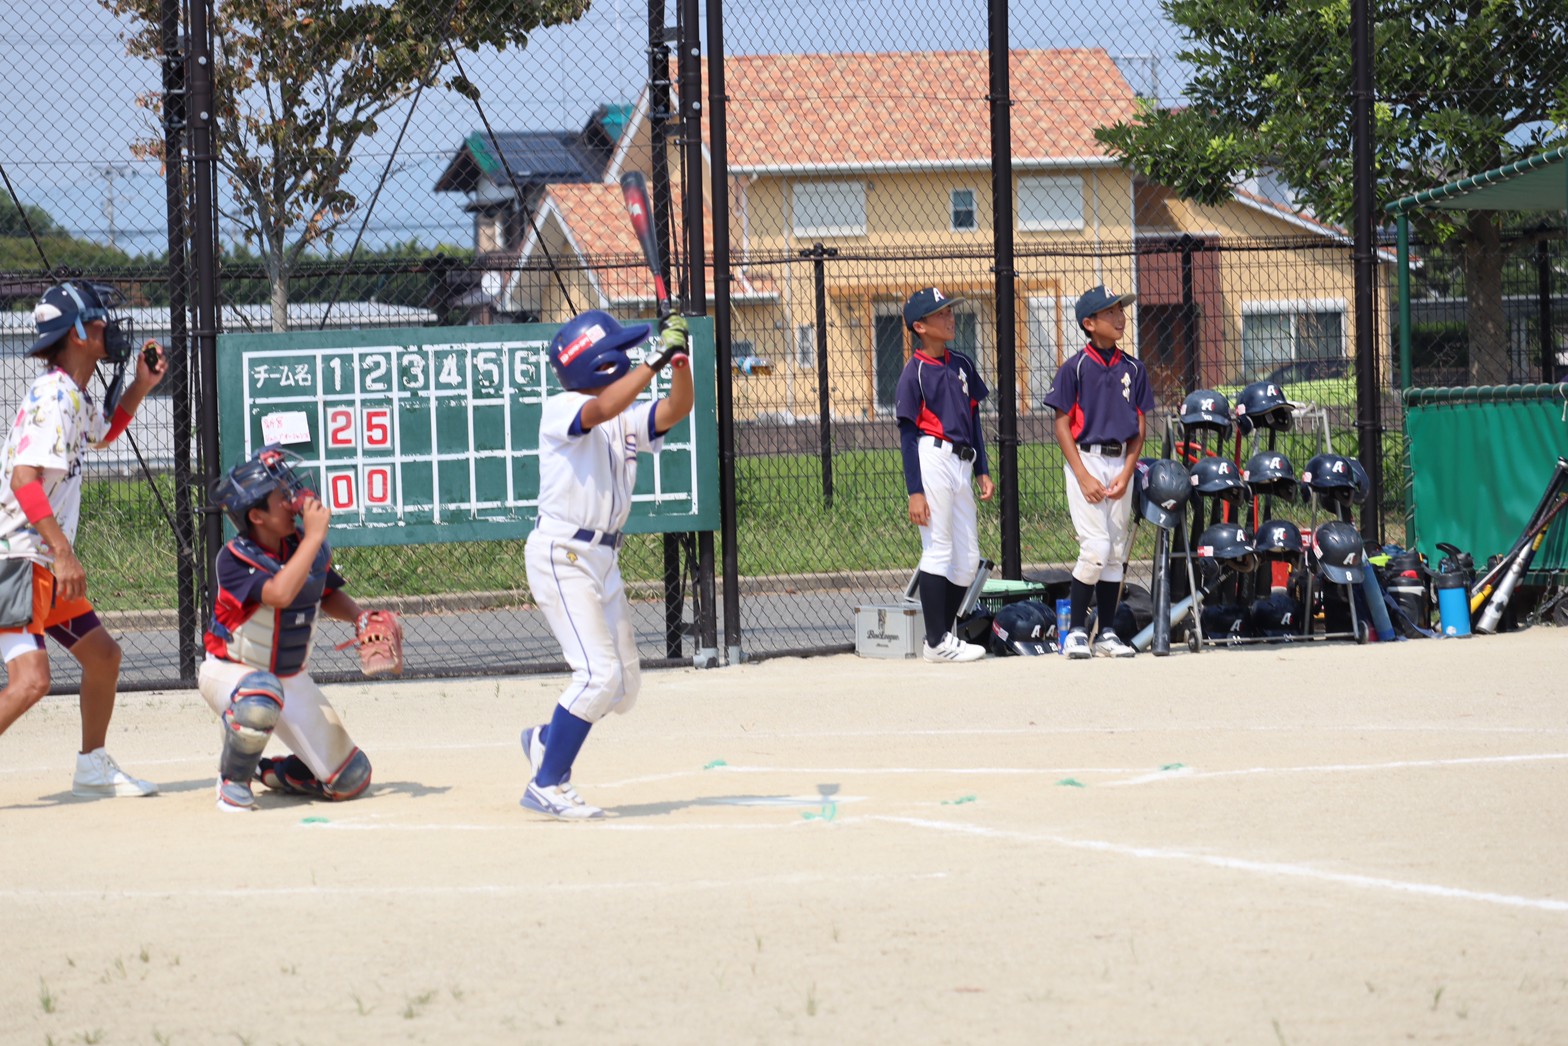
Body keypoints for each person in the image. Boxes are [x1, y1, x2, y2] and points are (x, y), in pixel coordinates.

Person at [519, 309, 692, 820]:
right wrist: (657, 357)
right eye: (616, 350)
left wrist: (678, 362)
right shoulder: (562, 408)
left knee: (622, 688)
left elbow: (679, 407)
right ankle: (547, 782)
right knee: (596, 675)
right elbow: (600, 410)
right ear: (596, 364)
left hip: (603, 558)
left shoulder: (626, 418)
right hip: (561, 555)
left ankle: (547, 739)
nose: (625, 356)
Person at [0, 281, 166, 797]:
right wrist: (63, 551)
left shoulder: (72, 395)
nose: (107, 329)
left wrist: (139, 384)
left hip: (41, 560)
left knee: (103, 657)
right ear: (75, 333)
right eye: (98, 321)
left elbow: (103, 433)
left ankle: (92, 767)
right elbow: (23, 479)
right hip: (20, 560)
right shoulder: (54, 397)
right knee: (31, 683)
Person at [200, 446, 377, 812]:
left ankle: (275, 773)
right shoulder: (234, 558)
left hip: (290, 678)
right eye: (282, 495)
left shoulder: (301, 545)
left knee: (352, 778)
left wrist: (360, 617)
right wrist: (313, 538)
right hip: (233, 672)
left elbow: (323, 591)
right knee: (261, 694)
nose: (294, 499)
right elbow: (280, 594)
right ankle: (232, 780)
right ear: (257, 516)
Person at [1043, 284, 1155, 659]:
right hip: (1086, 459)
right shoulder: (1074, 367)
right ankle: (1075, 631)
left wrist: (1127, 471)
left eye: (1121, 310)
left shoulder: (1133, 368)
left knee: (1115, 552)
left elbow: (1139, 428)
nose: (1120, 317)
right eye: (1110, 312)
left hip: (1121, 460)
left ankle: (1105, 633)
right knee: (1095, 549)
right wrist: (1082, 475)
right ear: (1089, 323)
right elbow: (1061, 425)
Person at [895, 287, 994, 663]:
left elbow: (973, 421)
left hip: (963, 462)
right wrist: (914, 491)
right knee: (938, 548)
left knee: (968, 558)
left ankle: (941, 635)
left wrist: (982, 469)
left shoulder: (962, 363)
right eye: (941, 314)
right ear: (920, 326)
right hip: (931, 457)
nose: (950, 317)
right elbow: (907, 437)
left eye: (950, 311)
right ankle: (936, 640)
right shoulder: (914, 372)